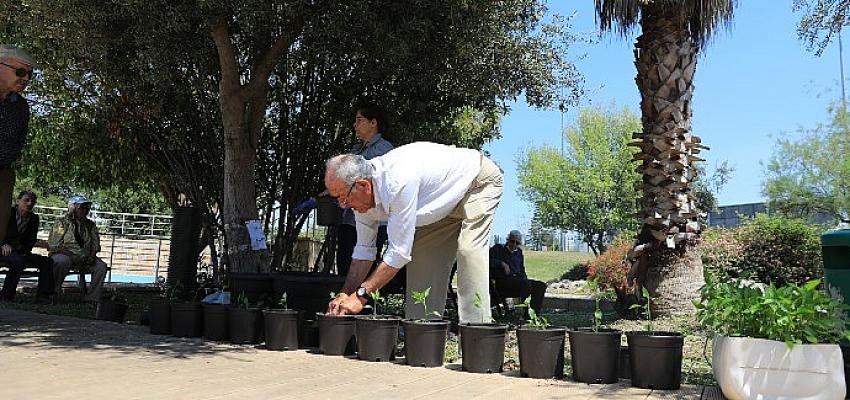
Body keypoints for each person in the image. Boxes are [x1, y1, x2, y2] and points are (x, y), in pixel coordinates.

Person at [324, 142, 503, 324]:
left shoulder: (396, 181)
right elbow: (364, 251)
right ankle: (424, 333)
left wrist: (360, 295)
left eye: (342, 197)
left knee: (469, 252)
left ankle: (477, 330)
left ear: (363, 185)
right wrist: (345, 293)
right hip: (440, 203)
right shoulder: (360, 199)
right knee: (423, 264)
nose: (342, 206)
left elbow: (399, 253)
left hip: (477, 183)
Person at [337, 103, 394, 277]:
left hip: (374, 218)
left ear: (373, 123)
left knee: (366, 263)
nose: (355, 125)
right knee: (345, 262)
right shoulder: (356, 149)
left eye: (359, 120)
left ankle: (364, 293)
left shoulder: (385, 150)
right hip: (351, 217)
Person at [0, 45, 35, 247]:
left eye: (30, 74)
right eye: (20, 71)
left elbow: (20, 139)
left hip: (4, 173)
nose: (26, 78)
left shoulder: (21, 106)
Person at [49, 196, 108, 302]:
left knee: (101, 266)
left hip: (84, 256)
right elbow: (54, 245)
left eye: (87, 208)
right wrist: (72, 256)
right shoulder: (61, 222)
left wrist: (91, 256)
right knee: (61, 261)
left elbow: (95, 244)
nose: (85, 210)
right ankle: (53, 293)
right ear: (72, 208)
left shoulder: (90, 225)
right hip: (65, 254)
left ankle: (92, 298)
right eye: (81, 207)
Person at [0, 190, 54, 303]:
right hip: (3, 250)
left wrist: (23, 250)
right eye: (26, 200)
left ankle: (43, 297)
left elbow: (31, 240)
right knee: (18, 261)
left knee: (47, 262)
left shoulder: (34, 219)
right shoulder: (7, 213)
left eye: (33, 201)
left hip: (21, 251)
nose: (30, 203)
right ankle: (6, 296)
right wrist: (3, 244)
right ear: (18, 201)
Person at [489, 230, 547, 315]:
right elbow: (488, 261)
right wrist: (502, 264)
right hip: (504, 283)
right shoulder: (498, 248)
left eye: (517, 243)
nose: (514, 244)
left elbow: (522, 269)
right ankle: (511, 306)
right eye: (512, 241)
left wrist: (525, 279)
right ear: (508, 240)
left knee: (541, 285)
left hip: (518, 281)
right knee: (526, 285)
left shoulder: (519, 252)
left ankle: (532, 314)